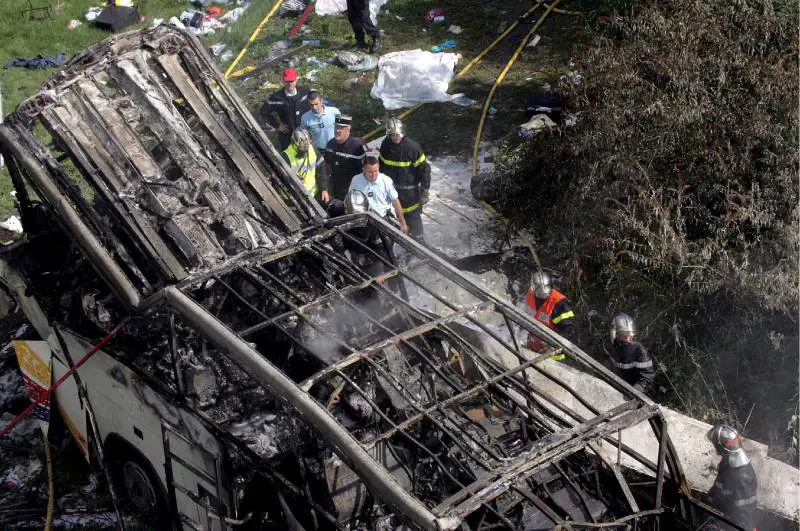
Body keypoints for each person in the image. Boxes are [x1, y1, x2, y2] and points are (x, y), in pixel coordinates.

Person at [378, 118, 431, 242]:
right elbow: (381, 165)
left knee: (412, 216)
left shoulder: (412, 148)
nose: (396, 138)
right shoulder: (385, 145)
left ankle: (419, 242)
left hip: (410, 192)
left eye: (398, 134)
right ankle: (407, 241)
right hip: (392, 189)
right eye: (393, 135)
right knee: (399, 216)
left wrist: (424, 190)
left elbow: (424, 170)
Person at [706, 424, 758, 530]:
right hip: (719, 515)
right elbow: (717, 491)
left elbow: (743, 515)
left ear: (722, 447)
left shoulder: (743, 477)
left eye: (716, 444)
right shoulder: (727, 463)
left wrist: (720, 527)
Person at [522, 271, 575, 361]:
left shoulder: (558, 303)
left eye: (545, 290)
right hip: (534, 348)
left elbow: (569, 330)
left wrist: (552, 347)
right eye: (539, 292)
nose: (543, 295)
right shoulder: (530, 294)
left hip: (553, 357)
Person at [347, 155, 408, 234]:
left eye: (376, 171)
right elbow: (350, 200)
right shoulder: (356, 180)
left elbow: (395, 201)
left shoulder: (386, 180)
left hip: (384, 220)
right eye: (370, 172)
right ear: (363, 169)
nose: (374, 174)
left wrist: (403, 223)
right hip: (364, 221)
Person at [324, 115, 367, 216]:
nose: (337, 130)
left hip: (354, 197)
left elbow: (366, 172)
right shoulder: (330, 145)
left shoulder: (357, 147)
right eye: (336, 127)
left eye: (341, 128)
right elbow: (327, 168)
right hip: (336, 194)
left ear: (348, 130)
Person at [601, 313, 655, 394]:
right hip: (610, 388)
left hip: (632, 391)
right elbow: (601, 368)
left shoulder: (639, 350)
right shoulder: (607, 347)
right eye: (625, 335)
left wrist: (637, 389)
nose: (628, 338)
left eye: (630, 335)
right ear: (615, 334)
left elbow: (648, 376)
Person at [261, 68, 311, 150]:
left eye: (292, 81)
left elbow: (316, 103)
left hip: (307, 132)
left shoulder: (305, 92)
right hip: (288, 135)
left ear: (296, 80)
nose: (290, 83)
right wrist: (277, 125)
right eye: (287, 81)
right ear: (283, 81)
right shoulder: (276, 97)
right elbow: (264, 112)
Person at [281, 127, 329, 204]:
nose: (304, 151)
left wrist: (324, 188)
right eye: (301, 148)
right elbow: (281, 177)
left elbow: (321, 168)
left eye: (306, 147)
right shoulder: (286, 156)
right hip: (293, 198)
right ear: (293, 143)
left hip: (312, 195)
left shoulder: (312, 148)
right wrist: (294, 180)